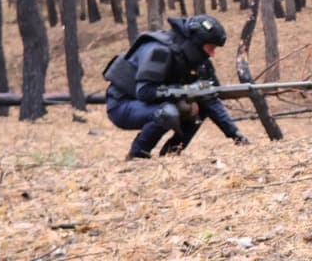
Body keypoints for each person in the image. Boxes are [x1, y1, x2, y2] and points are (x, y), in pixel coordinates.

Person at [104, 14, 250, 160]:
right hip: (122, 105)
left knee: (200, 107)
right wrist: (184, 91)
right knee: (167, 113)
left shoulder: (199, 60)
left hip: (153, 104)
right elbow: (144, 91)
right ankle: (137, 156)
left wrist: (235, 135)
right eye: (210, 48)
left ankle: (171, 154)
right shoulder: (160, 51)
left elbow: (210, 98)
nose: (213, 54)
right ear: (196, 43)